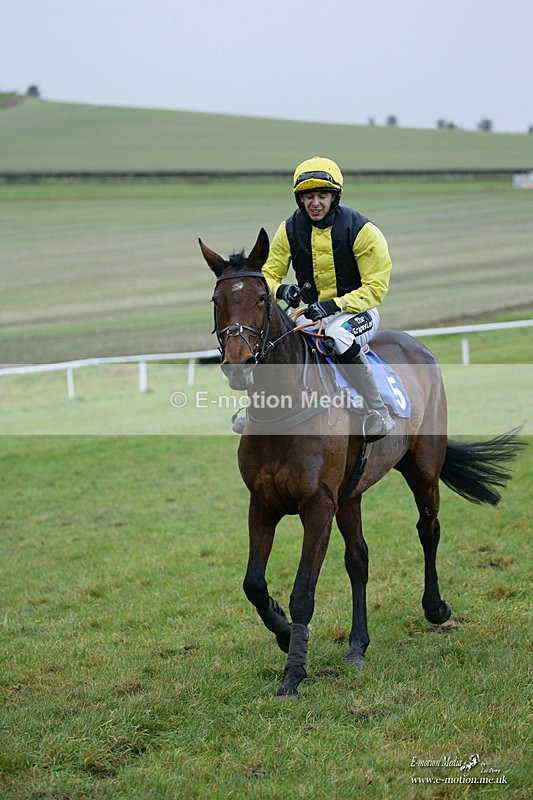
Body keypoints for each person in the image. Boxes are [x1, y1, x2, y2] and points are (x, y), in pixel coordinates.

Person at [262, 156, 395, 439]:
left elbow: (376, 287)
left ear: (334, 197)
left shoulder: (362, 230)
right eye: (309, 196)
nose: (315, 203)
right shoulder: (288, 229)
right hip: (313, 314)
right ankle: (260, 411)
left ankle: (379, 412)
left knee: (338, 336)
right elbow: (267, 276)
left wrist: (336, 304)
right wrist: (282, 290)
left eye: (322, 195)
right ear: (300, 199)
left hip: (359, 312)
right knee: (277, 338)